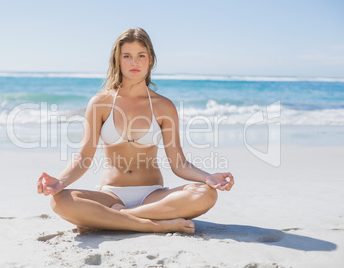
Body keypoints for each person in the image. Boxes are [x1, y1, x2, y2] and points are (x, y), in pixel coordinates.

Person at [37, 28, 234, 234]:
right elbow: (83, 157)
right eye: (127, 56)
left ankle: (118, 217)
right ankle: (150, 224)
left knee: (206, 194)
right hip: (112, 196)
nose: (134, 62)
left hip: (153, 195)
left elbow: (178, 163)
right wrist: (59, 182)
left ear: (150, 60)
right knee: (60, 201)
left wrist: (207, 178)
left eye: (141, 56)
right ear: (117, 60)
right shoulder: (100, 103)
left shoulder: (163, 106)